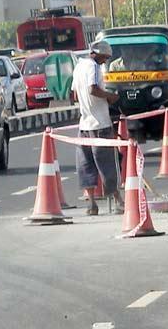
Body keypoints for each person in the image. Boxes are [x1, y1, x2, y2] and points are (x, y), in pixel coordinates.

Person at [73, 40, 124, 216]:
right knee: (108, 164)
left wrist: (88, 106)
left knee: (86, 166)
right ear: (98, 55)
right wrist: (110, 97)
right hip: (100, 124)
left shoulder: (78, 67)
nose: (105, 62)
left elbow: (75, 95)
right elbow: (93, 89)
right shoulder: (93, 67)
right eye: (104, 58)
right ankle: (120, 201)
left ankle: (92, 205)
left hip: (84, 125)